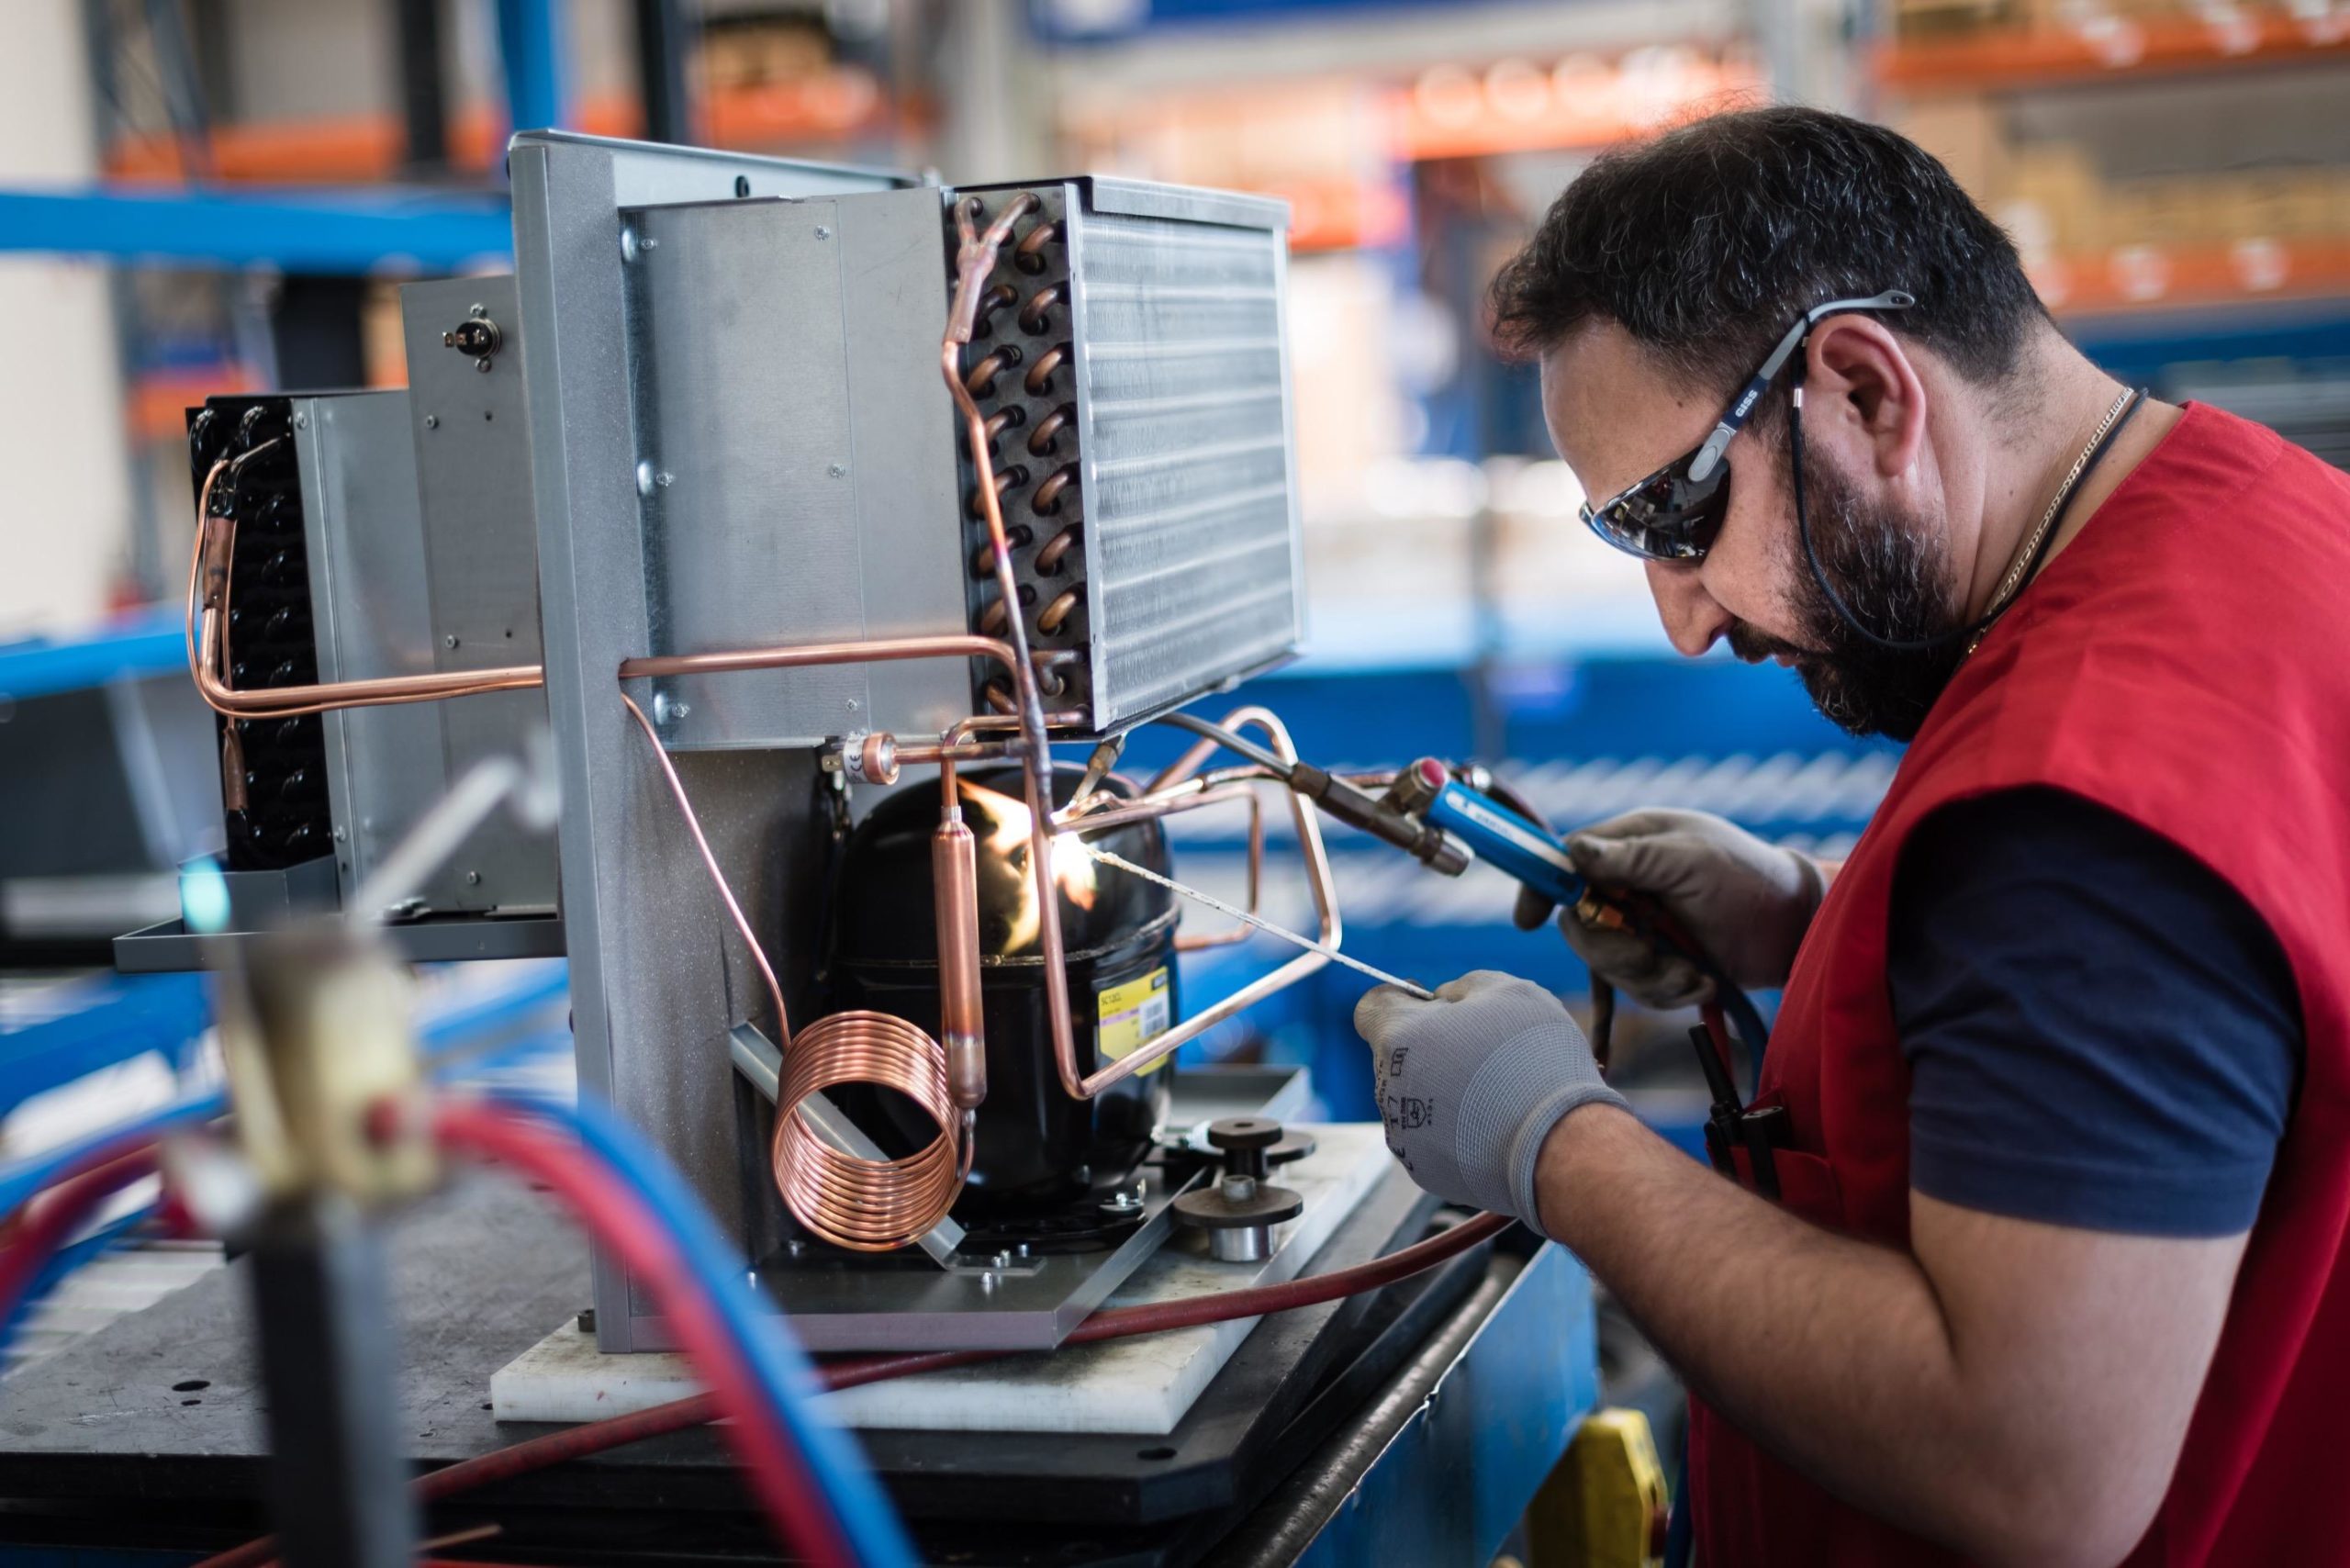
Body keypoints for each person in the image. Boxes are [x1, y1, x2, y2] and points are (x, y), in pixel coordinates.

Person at [1353, 106, 2350, 1568]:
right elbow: (2200, 1028)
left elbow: (2027, 1468)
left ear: (1868, 394)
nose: (1683, 618)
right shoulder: (2260, 524)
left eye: (1678, 516)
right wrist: (1823, 923)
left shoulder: (2077, 807)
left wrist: (1551, 1141)